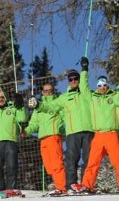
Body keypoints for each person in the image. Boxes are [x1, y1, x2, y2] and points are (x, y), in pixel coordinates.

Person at [34, 57, 93, 193]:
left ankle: (86, 185)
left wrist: (84, 70)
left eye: (75, 79)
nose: (73, 81)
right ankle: (71, 185)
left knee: (88, 159)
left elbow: (85, 84)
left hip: (88, 129)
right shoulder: (64, 97)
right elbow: (51, 107)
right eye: (70, 79)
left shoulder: (86, 93)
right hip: (73, 132)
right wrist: (39, 105)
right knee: (72, 160)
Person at [79, 76, 119, 194]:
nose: (102, 88)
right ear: (97, 86)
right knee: (93, 162)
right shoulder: (92, 97)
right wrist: (84, 70)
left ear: (107, 85)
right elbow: (83, 87)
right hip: (98, 134)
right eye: (100, 85)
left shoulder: (113, 96)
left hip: (111, 134)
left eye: (104, 85)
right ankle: (87, 185)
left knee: (118, 162)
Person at [24, 83, 67, 196]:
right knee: (48, 165)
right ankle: (57, 185)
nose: (48, 92)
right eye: (46, 90)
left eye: (50, 90)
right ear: (42, 92)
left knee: (57, 162)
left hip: (53, 135)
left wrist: (60, 129)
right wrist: (26, 131)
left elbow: (63, 118)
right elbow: (34, 123)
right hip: (43, 138)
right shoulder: (38, 108)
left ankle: (61, 187)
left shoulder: (56, 103)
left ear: (53, 91)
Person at [0, 89, 27, 191]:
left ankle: (11, 188)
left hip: (11, 140)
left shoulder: (12, 107)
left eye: (2, 97)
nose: (1, 99)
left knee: (12, 166)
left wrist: (20, 106)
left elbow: (22, 118)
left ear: (6, 97)